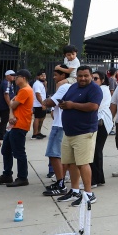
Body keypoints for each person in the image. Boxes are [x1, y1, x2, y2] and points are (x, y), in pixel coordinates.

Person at [57, 66, 103, 205]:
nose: (83, 78)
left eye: (86, 76)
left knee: (83, 163)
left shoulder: (95, 89)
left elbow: (93, 106)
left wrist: (72, 105)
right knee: (71, 163)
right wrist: (64, 105)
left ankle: (89, 194)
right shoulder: (73, 87)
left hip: (84, 132)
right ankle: (75, 191)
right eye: (80, 76)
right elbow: (67, 101)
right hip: (69, 132)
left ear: (90, 76)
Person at [38, 65, 73, 197]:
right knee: (61, 156)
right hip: (65, 124)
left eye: (56, 74)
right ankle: (61, 181)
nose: (53, 77)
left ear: (63, 75)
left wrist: (46, 101)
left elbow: (51, 102)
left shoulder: (64, 87)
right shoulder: (71, 87)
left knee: (54, 154)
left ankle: (61, 184)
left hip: (59, 125)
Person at [0, 70, 35, 188]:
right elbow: (12, 105)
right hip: (14, 124)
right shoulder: (23, 90)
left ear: (23, 78)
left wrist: (12, 106)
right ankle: (7, 174)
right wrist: (11, 113)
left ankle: (22, 177)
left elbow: (12, 104)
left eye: (17, 76)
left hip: (20, 124)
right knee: (6, 149)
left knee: (19, 152)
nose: (15, 78)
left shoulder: (25, 90)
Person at [89, 71, 114, 186]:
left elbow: (96, 107)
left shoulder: (102, 90)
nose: (93, 81)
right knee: (96, 151)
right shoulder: (96, 89)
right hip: (99, 123)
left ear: (102, 80)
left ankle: (94, 180)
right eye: (92, 78)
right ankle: (98, 178)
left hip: (101, 123)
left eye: (96, 78)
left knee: (95, 151)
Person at [31, 71, 48, 139]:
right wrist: (42, 104)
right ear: (37, 77)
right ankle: (35, 134)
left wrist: (45, 85)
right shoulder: (37, 84)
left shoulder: (42, 84)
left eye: (44, 76)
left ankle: (39, 132)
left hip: (42, 103)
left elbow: (45, 92)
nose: (43, 77)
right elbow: (38, 95)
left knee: (42, 118)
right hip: (38, 104)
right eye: (42, 76)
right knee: (37, 118)